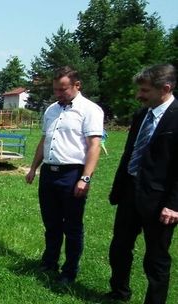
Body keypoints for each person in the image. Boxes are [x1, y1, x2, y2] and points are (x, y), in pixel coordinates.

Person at [25, 66, 104, 284]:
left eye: (63, 90)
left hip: (73, 173)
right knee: (51, 222)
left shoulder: (90, 110)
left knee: (72, 225)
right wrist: (34, 167)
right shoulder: (51, 110)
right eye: (56, 90)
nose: (58, 94)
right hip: (50, 173)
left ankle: (69, 271)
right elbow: (44, 141)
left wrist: (85, 178)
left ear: (77, 86)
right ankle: (49, 262)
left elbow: (94, 146)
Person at [106, 63, 177, 303]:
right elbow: (129, 153)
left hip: (160, 202)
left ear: (165, 88)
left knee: (156, 258)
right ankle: (119, 292)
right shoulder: (142, 115)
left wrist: (174, 204)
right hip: (129, 193)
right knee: (119, 248)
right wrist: (118, 188)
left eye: (145, 91)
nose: (139, 96)